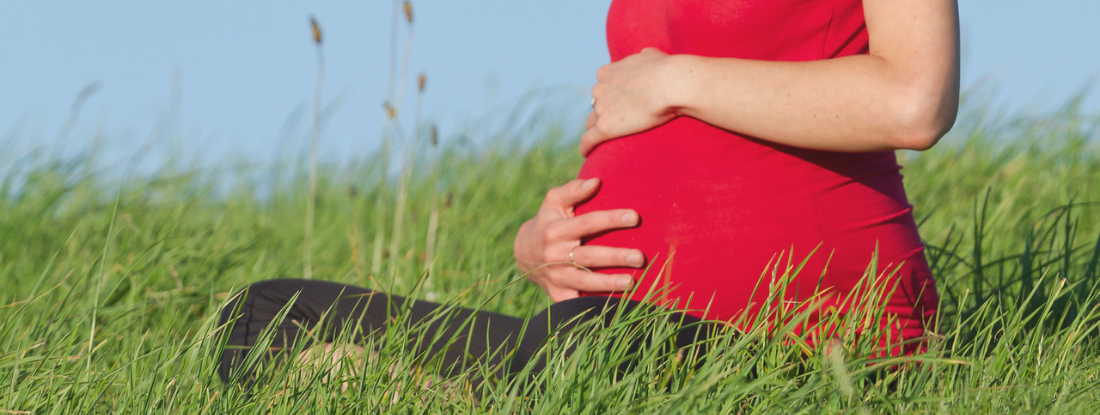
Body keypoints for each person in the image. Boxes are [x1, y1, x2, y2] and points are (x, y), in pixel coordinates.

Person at [216, 0, 960, 391]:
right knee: (262, 315)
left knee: (591, 343)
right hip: (602, 328)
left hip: (813, 347)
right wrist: (540, 246)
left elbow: (915, 99)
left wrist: (676, 79)